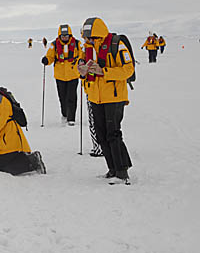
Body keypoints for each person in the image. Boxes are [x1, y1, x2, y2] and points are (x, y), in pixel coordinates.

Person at [78, 17, 133, 182]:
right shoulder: (86, 48)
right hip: (95, 97)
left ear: (96, 34)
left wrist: (104, 71)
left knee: (113, 134)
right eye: (86, 37)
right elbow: (79, 67)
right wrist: (81, 71)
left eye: (89, 37)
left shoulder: (116, 45)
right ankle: (112, 169)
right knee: (101, 136)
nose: (86, 40)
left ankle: (122, 172)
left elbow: (128, 69)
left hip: (114, 97)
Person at [41, 24, 82, 125]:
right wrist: (47, 60)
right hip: (60, 76)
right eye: (63, 36)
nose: (64, 37)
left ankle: (71, 118)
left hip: (73, 75)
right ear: (59, 36)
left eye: (66, 36)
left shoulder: (77, 43)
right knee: (62, 97)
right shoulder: (54, 45)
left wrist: (82, 62)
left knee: (71, 97)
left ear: (70, 35)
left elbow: (82, 54)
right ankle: (65, 114)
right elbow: (50, 56)